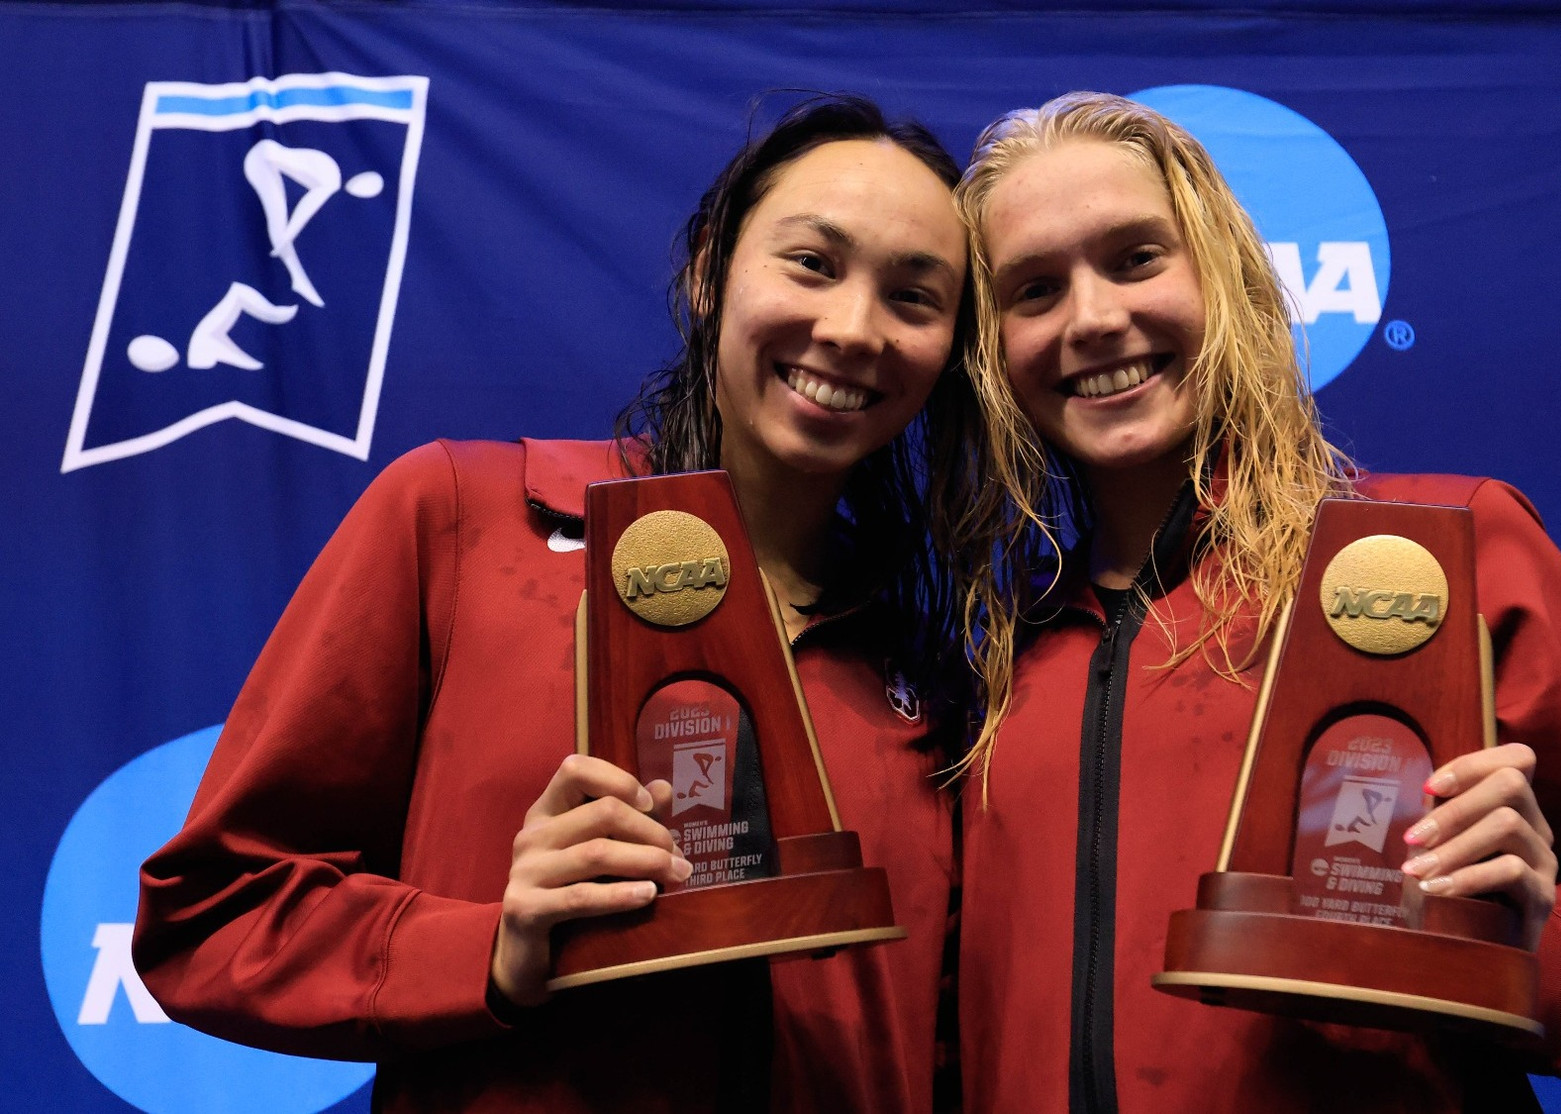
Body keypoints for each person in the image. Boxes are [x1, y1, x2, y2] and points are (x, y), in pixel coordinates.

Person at [135, 94, 978, 1114]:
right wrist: (490, 947)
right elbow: (215, 916)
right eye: (812, 263)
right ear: (712, 268)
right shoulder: (462, 519)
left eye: (914, 299)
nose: (852, 328)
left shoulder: (936, 674)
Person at [946, 91, 1561, 1112]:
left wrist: (1534, 954)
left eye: (1137, 259)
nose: (1094, 318)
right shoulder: (986, 648)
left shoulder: (1435, 552)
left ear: (1224, 277)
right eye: (1035, 289)